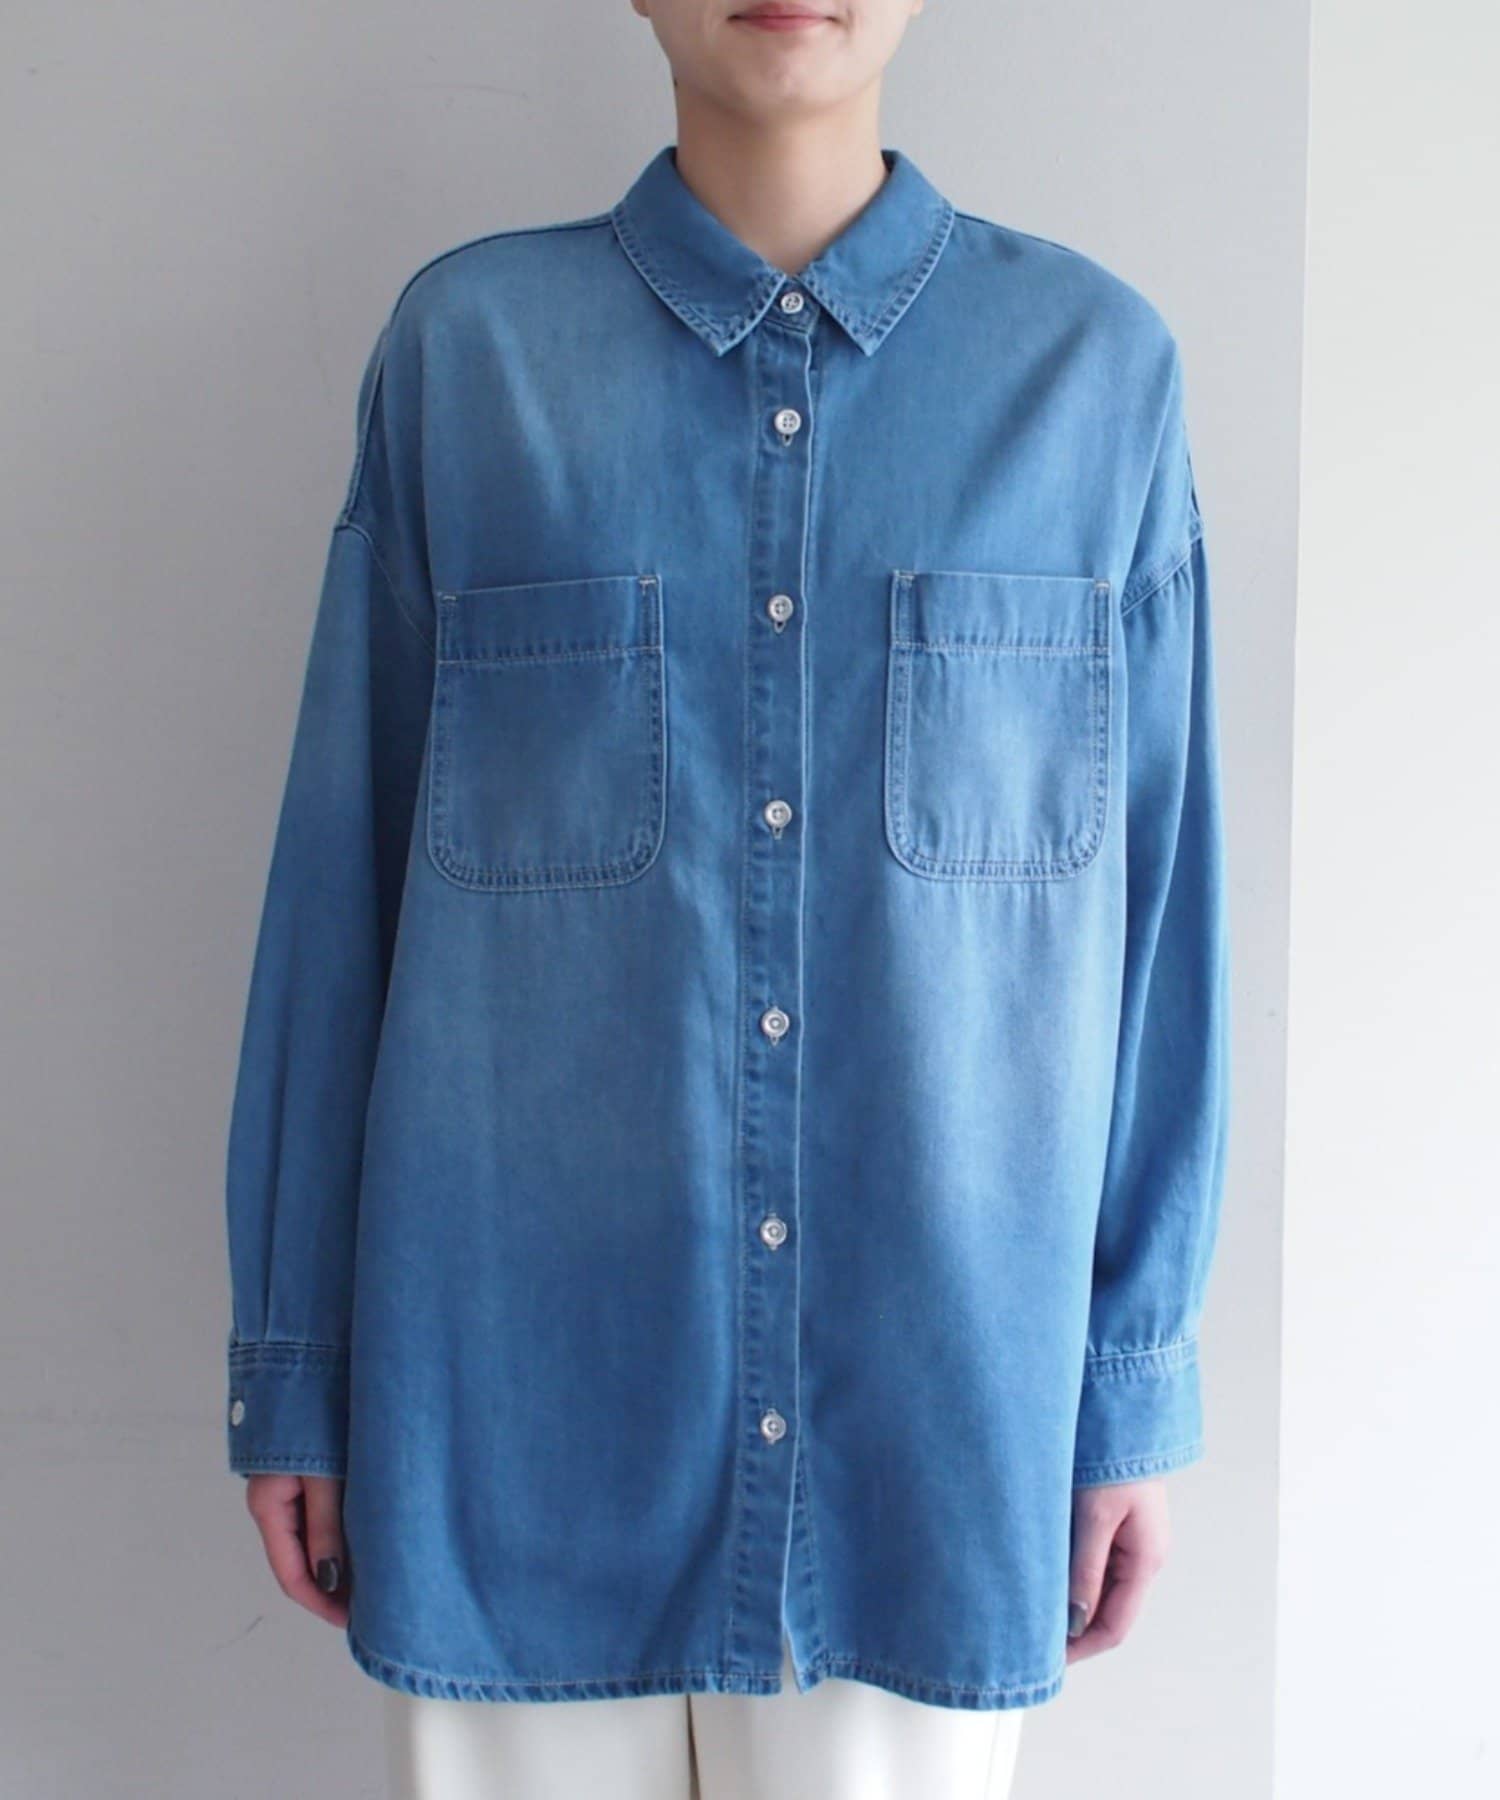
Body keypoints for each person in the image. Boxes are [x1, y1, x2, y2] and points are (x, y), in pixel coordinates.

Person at [222, 3, 1232, 1796]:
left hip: (934, 1432)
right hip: (512, 1413)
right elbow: (339, 885)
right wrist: (295, 1360)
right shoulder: (470, 359)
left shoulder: (1094, 376)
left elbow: (1159, 940)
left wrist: (1133, 1374)